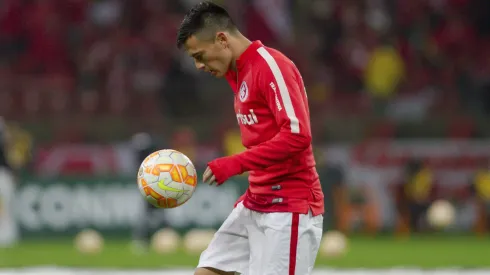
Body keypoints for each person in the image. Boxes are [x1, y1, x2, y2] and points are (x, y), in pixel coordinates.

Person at [176, 2, 324, 275]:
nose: (198, 66)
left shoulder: (271, 65)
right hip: (256, 202)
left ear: (222, 39)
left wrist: (236, 163)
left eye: (200, 55)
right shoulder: (240, 72)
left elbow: (297, 135)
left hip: (289, 208)